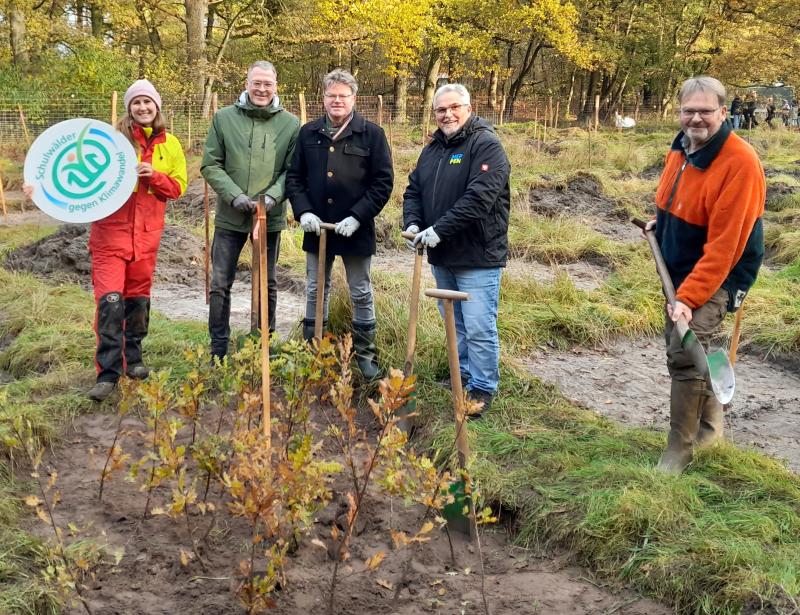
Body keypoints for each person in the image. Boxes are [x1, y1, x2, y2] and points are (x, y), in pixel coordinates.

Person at [24, 79, 188, 401]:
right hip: (109, 237)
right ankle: (108, 373)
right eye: (136, 103)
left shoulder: (171, 144)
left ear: (157, 106)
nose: (143, 108)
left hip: (146, 237)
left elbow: (178, 187)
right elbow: (71, 165)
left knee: (137, 303)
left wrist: (153, 176)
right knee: (110, 303)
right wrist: (40, 189)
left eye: (148, 102)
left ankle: (134, 360)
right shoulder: (111, 141)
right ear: (128, 108)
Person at [645, 76, 764, 474]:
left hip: (719, 274)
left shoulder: (739, 162)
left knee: (685, 357)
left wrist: (688, 299)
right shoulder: (681, 148)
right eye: (688, 111)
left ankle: (679, 449)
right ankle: (711, 434)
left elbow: (724, 248)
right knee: (702, 354)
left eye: (705, 111)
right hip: (679, 267)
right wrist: (659, 223)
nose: (696, 118)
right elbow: (674, 198)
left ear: (724, 112)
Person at [402, 83, 510, 417]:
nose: (447, 114)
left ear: (468, 107)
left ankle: (482, 388)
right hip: (442, 254)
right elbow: (413, 190)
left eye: (454, 108)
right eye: (440, 110)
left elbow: (479, 199)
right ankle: (461, 375)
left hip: (477, 255)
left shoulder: (486, 145)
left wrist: (439, 230)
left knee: (478, 326)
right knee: (456, 324)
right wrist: (415, 224)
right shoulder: (433, 148)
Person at [286, 69, 393, 379]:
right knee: (315, 288)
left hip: (355, 228)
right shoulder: (308, 133)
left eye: (342, 96)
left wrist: (358, 215)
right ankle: (315, 352)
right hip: (315, 227)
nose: (336, 101)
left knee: (360, 290)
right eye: (331, 95)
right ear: (323, 97)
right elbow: (295, 177)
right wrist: (303, 211)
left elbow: (383, 182)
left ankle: (365, 358)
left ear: (353, 99)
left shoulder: (371, 134)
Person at [201, 61, 300, 362]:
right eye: (256, 82)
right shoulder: (224, 119)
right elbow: (210, 164)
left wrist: (271, 198)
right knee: (220, 283)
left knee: (266, 282)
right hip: (231, 217)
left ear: (276, 86)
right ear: (246, 84)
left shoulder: (290, 124)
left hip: (267, 219)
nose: (261, 89)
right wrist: (235, 196)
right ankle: (219, 346)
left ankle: (263, 342)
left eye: (267, 83)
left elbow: (292, 171)